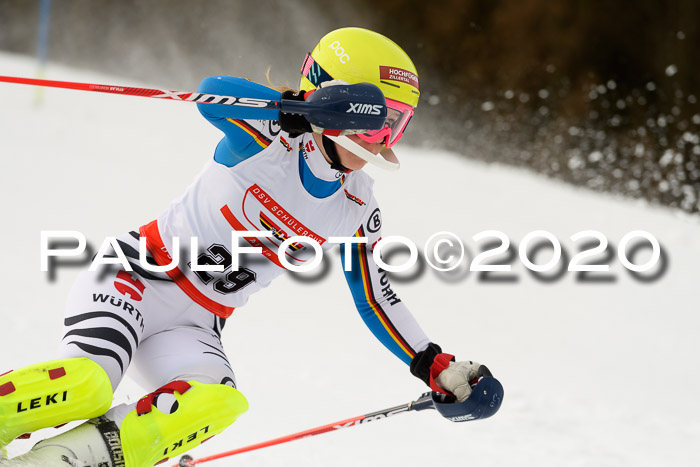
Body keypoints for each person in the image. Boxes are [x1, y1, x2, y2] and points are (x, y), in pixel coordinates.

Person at [0, 27, 494, 466]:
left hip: (195, 322)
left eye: (398, 125)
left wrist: (435, 365)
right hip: (133, 280)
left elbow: (374, 297)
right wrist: (295, 110)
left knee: (217, 403)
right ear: (339, 102)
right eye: (376, 120)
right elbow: (211, 96)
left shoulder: (355, 206)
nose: (385, 139)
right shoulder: (266, 137)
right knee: (87, 385)